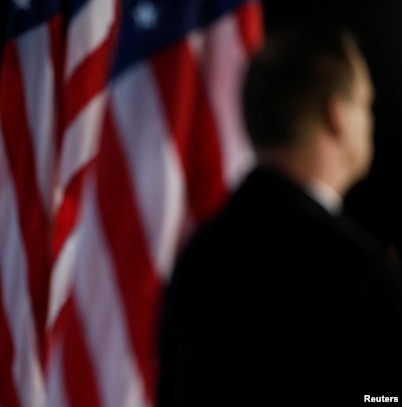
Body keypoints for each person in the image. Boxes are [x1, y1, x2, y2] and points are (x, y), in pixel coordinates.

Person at [157, 26, 402, 406]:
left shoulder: (195, 259)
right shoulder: (357, 270)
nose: (370, 121)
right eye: (366, 105)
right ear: (336, 115)